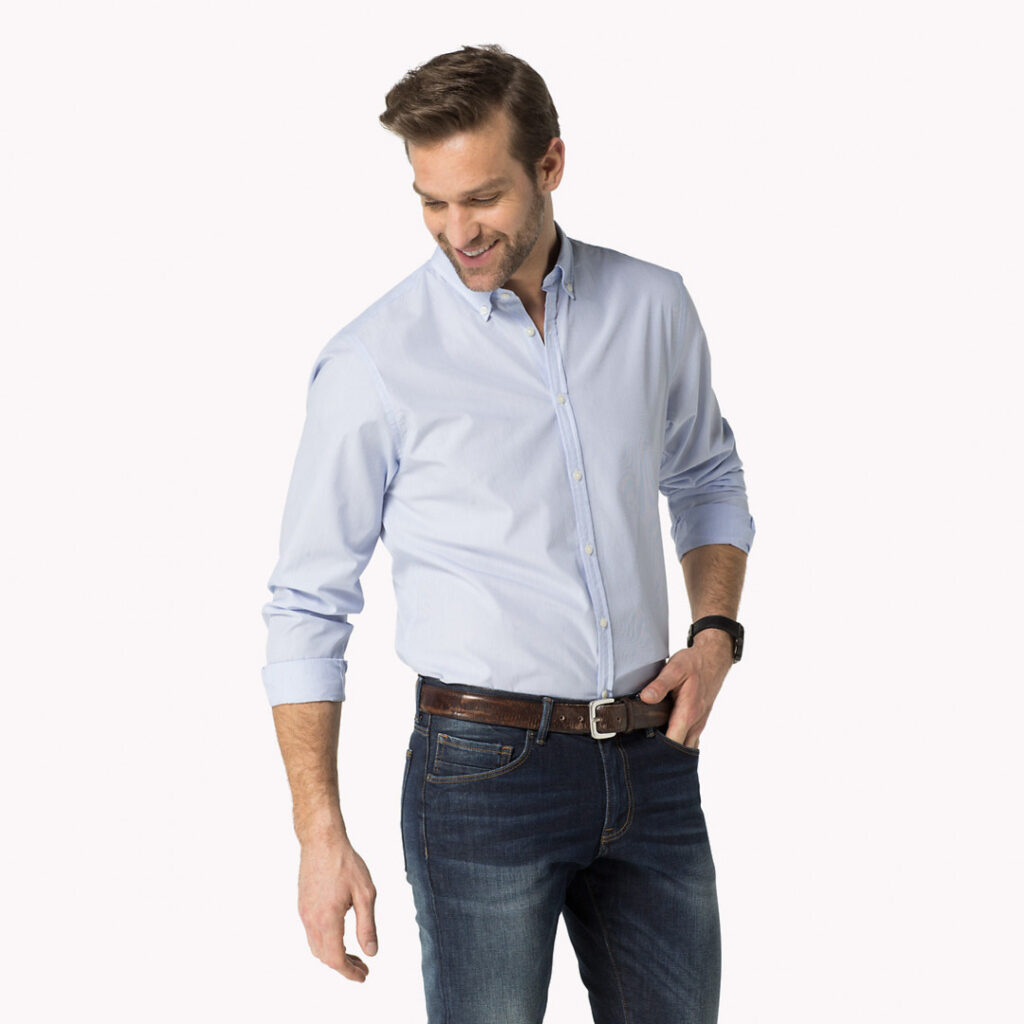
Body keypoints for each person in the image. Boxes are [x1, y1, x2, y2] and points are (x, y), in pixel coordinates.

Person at [261, 43, 755, 1024]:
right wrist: (320, 833)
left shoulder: (652, 305)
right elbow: (307, 601)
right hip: (482, 775)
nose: (458, 231)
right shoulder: (373, 360)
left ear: (550, 164)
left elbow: (705, 477)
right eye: (431, 203)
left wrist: (714, 637)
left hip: (653, 756)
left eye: (482, 197)